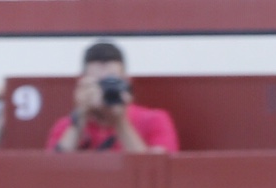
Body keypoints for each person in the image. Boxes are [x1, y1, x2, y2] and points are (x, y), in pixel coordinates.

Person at [45, 41, 179, 153]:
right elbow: (52, 173)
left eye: (112, 82)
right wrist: (80, 117)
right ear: (82, 85)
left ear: (127, 83)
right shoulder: (66, 127)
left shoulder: (154, 121)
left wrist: (120, 122)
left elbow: (156, 174)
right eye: (98, 84)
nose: (104, 90)